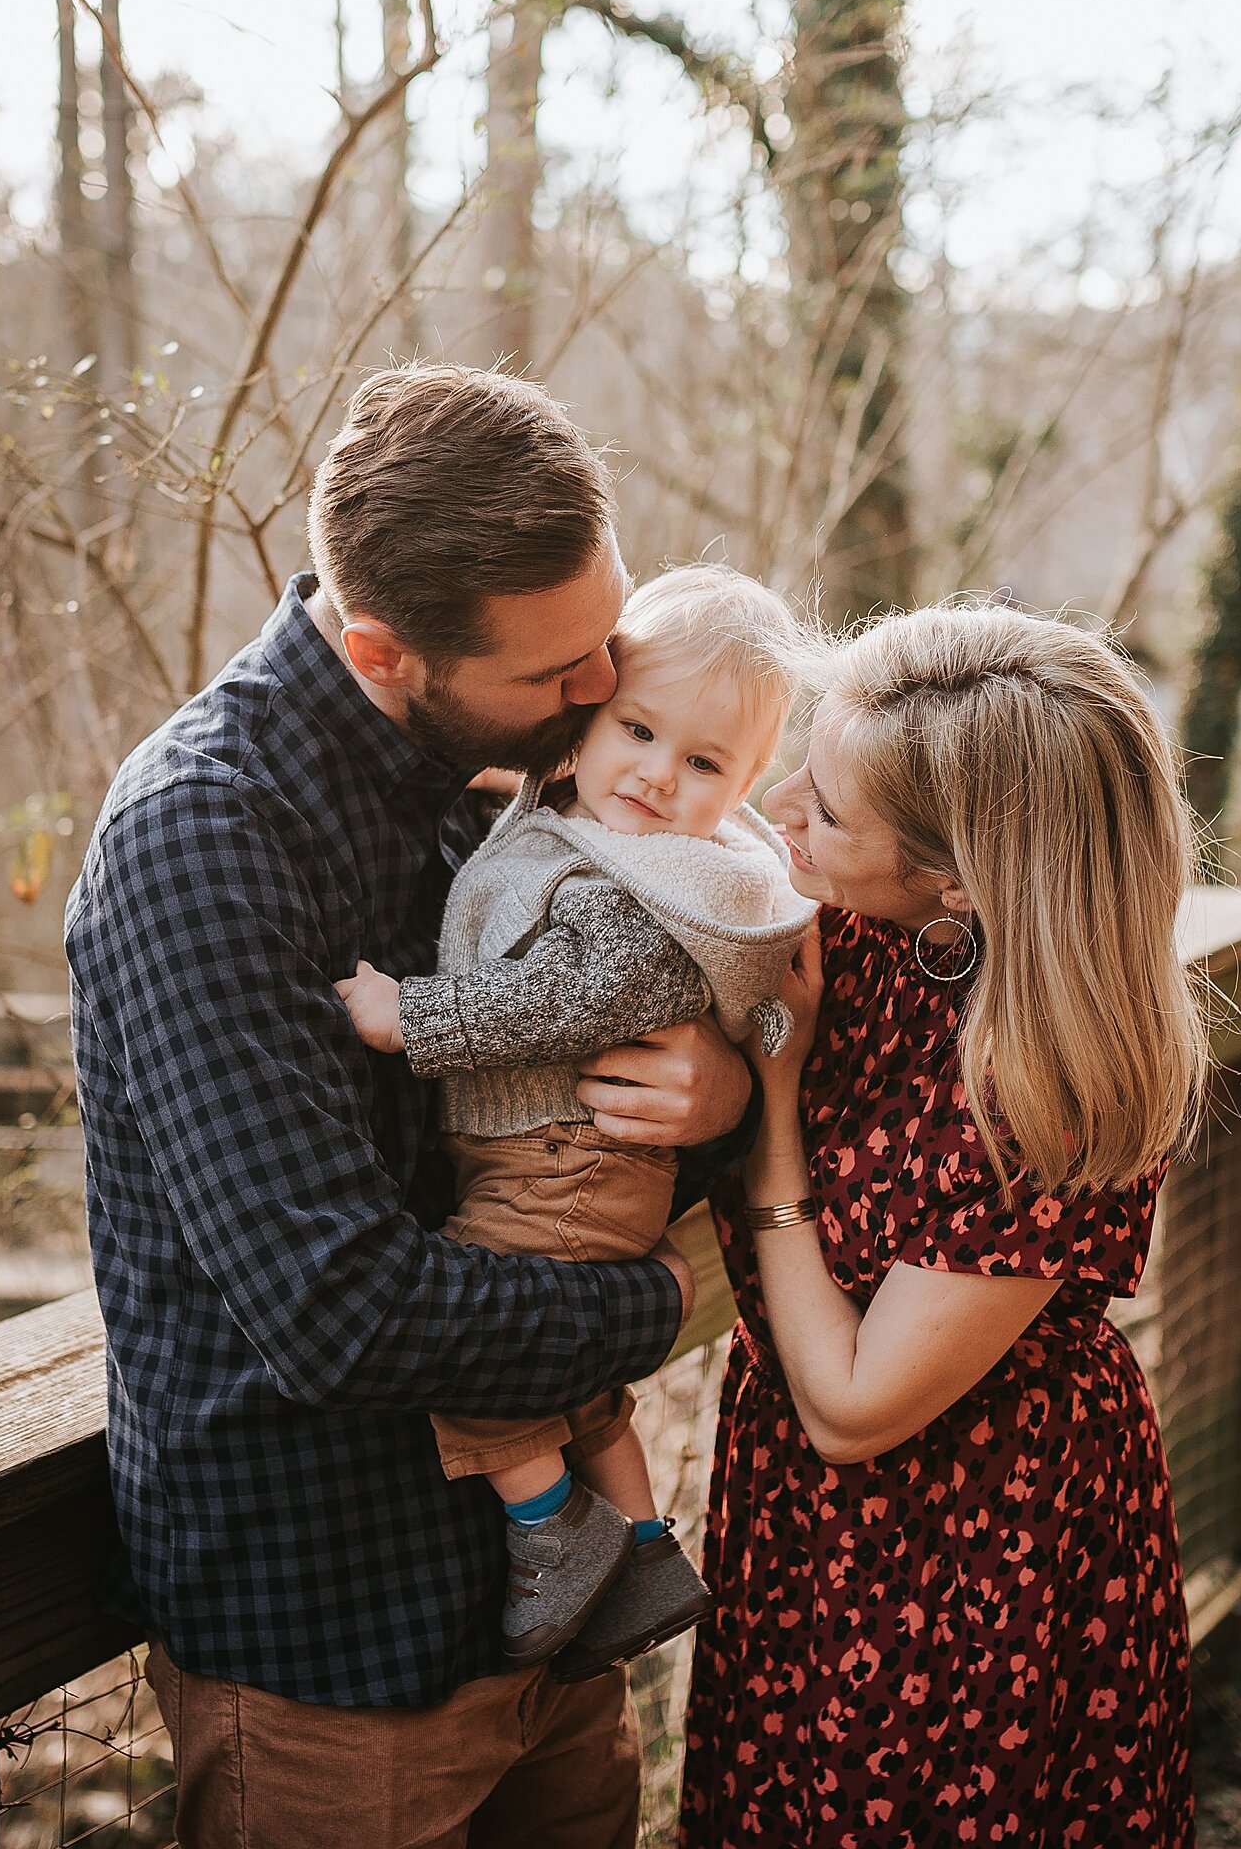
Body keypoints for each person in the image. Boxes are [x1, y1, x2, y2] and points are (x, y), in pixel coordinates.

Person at [65, 364, 758, 1849]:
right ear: (383, 650)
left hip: (551, 1625)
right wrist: (650, 1307)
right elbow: (340, 1311)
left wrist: (720, 1097)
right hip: (337, 1653)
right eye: (557, 670)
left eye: (607, 639)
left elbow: (628, 1080)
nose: (601, 692)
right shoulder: (205, 837)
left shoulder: (536, 780)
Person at [680, 600, 1209, 1848]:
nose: (782, 802)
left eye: (831, 806)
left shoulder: (1047, 1076)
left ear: (962, 875)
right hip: (804, 1524)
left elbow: (851, 1404)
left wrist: (766, 1111)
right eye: (806, 754)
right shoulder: (860, 923)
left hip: (974, 1547)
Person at [339, 564, 815, 1678]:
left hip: (566, 1163)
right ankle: (646, 1548)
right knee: (578, 1385)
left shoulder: (646, 888)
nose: (654, 776)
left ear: (745, 784)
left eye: (702, 762)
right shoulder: (579, 819)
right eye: (635, 730)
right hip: (565, 1160)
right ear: (586, 718)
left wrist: (405, 1013)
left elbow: (562, 997)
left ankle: (553, 1526)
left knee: (466, 1353)